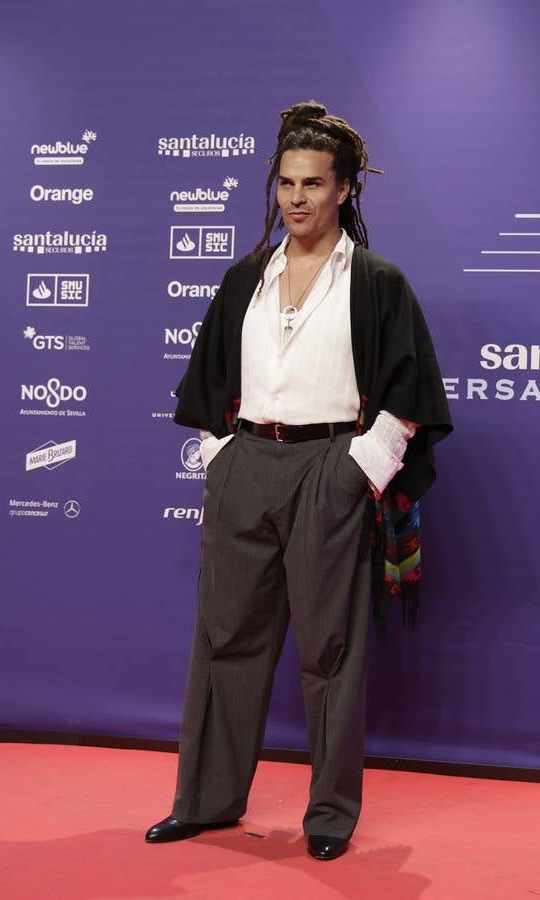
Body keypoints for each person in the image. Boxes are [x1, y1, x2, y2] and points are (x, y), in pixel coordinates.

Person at [145, 101, 452, 861]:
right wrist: (221, 455)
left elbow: (408, 396)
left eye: (313, 184)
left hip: (328, 468)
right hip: (246, 465)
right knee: (224, 642)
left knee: (331, 651)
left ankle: (328, 818)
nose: (296, 199)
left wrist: (357, 470)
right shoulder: (246, 274)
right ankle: (205, 801)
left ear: (345, 189)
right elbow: (208, 379)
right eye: (285, 183)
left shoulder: (377, 281)